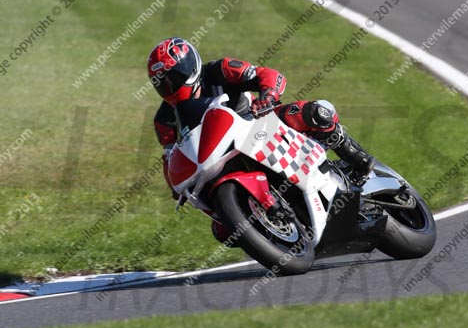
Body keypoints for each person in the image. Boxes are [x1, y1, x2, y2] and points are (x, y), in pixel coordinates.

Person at [148, 37, 375, 242]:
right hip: (219, 160)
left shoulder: (221, 70)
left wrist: (268, 96)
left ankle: (353, 155)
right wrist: (176, 185)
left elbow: (268, 75)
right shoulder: (164, 119)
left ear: (191, 68)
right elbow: (171, 154)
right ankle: (277, 228)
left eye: (174, 78)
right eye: (162, 83)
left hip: (259, 127)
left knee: (313, 113)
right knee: (224, 232)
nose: (169, 87)